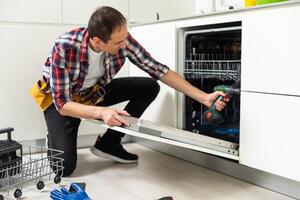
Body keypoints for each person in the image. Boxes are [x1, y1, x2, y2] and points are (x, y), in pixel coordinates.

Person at [42, 6, 226, 177]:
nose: (124, 45)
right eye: (118, 42)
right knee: (64, 169)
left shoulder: (122, 39)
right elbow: (62, 104)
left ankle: (110, 143)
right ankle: (56, 135)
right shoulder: (65, 47)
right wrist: (101, 112)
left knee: (149, 86)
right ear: (97, 40)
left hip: (93, 93)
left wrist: (204, 98)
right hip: (64, 101)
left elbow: (158, 69)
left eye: (125, 38)